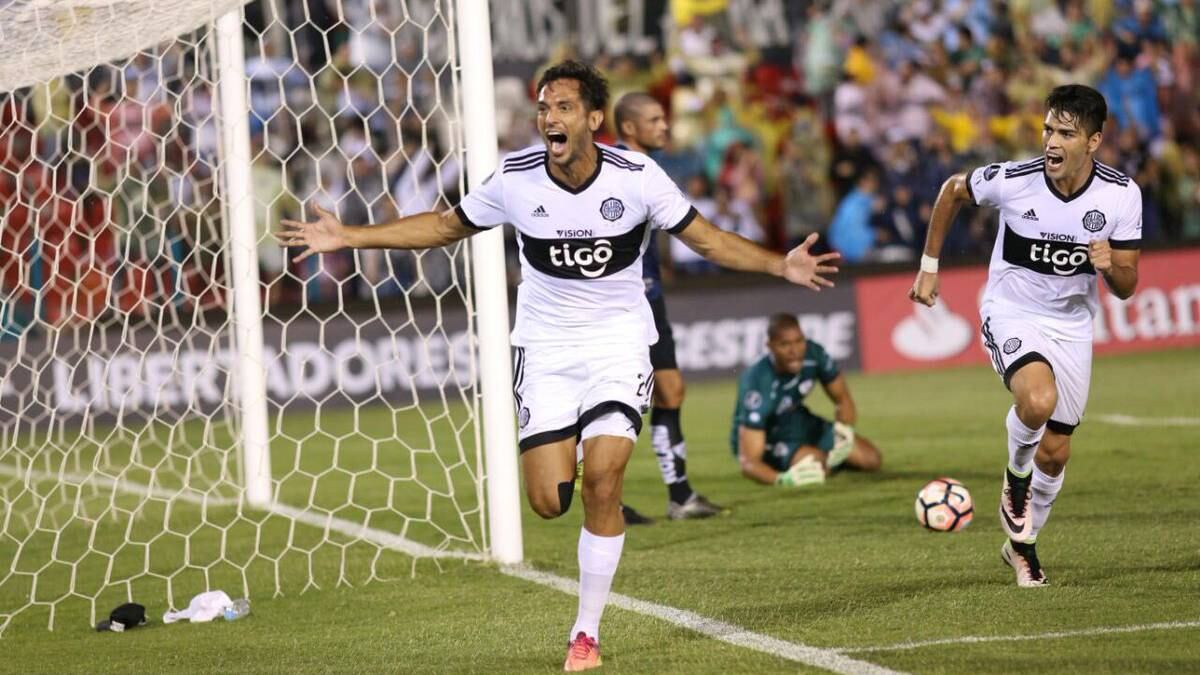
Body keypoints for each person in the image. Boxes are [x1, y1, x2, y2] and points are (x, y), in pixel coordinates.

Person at [278, 61, 840, 672]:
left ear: (594, 119)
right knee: (549, 502)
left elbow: (706, 239)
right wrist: (349, 237)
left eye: (564, 107)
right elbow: (444, 228)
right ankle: (570, 441)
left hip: (618, 346)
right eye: (544, 107)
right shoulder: (515, 177)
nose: (550, 117)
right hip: (544, 350)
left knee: (605, 478)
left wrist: (778, 266)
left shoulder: (637, 177)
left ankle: (586, 633)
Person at [908, 84, 1141, 587]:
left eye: (1066, 133)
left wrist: (1109, 268)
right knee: (1037, 400)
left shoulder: (1122, 195)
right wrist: (929, 266)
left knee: (1056, 452)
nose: (1051, 142)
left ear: (1094, 141)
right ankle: (1015, 482)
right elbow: (953, 190)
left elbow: (1127, 285)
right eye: (1048, 129)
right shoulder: (1015, 180)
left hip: (1072, 324)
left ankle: (1022, 548)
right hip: (1011, 311)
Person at [612, 91, 725, 522]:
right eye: (655, 120)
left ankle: (680, 496)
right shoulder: (613, 170)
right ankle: (606, 500)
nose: (665, 126)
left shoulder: (650, 169)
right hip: (618, 306)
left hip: (651, 299)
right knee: (614, 404)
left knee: (671, 389)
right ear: (629, 127)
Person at [730, 313, 882, 487]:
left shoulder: (814, 354)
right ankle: (813, 460)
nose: (794, 351)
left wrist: (844, 432)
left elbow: (843, 399)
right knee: (819, 465)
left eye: (799, 341)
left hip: (798, 420)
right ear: (770, 346)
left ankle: (827, 460)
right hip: (768, 435)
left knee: (871, 460)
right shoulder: (757, 381)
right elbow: (748, 463)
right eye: (784, 344)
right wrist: (781, 480)